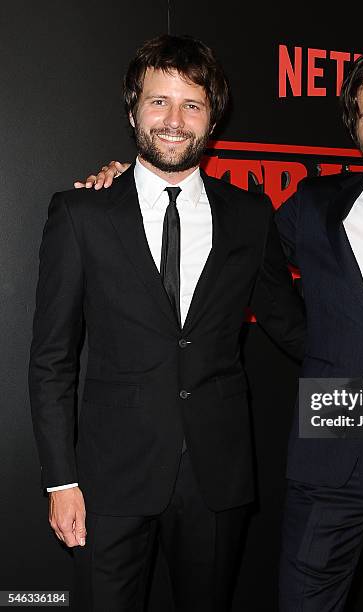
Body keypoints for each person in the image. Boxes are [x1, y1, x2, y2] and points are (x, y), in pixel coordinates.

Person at [82, 45, 363, 611]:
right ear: (355, 130)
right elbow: (224, 241)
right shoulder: (312, 206)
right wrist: (129, 190)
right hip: (323, 471)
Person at [29, 34, 304, 612]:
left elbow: (293, 327)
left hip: (217, 477)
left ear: (212, 119)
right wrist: (61, 480)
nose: (174, 120)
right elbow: (52, 359)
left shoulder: (251, 217)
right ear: (133, 109)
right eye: (159, 102)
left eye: (192, 105)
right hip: (108, 479)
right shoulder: (82, 213)